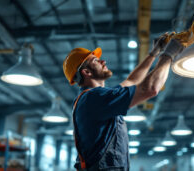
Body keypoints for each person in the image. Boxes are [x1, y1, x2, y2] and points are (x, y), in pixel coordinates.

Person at [62, 33, 183, 171]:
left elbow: (131, 81)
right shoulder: (94, 99)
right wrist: (169, 54)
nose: (103, 62)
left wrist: (153, 53)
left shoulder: (98, 99)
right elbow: (151, 88)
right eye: (96, 60)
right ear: (86, 72)